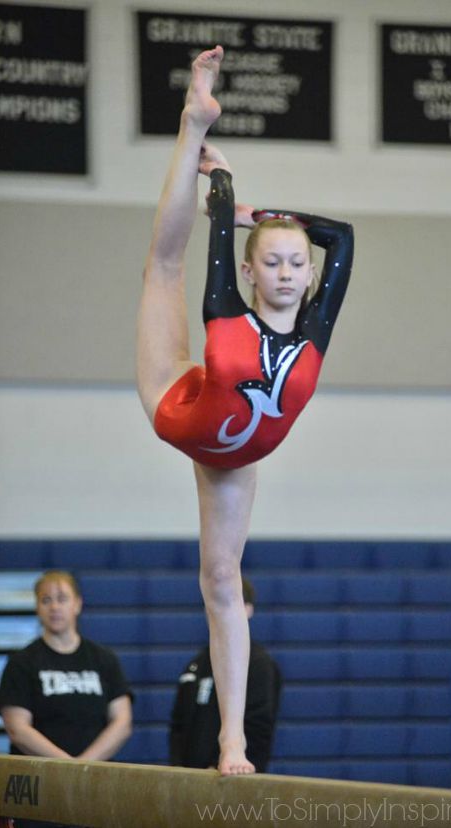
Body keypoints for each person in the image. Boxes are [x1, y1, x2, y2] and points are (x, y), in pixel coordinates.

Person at [136, 45, 353, 775]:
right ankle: (188, 121)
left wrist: (278, 216)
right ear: (252, 271)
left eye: (298, 262)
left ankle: (233, 741)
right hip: (178, 403)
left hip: (236, 459)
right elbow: (210, 234)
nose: (290, 272)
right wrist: (217, 170)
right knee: (163, 264)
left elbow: (343, 239)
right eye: (274, 261)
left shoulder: (317, 321)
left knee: (223, 581)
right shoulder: (228, 309)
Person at [0, 571, 133, 828]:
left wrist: (83, 766)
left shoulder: (103, 659)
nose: (55, 606)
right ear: (37, 607)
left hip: (94, 783)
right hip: (39, 788)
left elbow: (122, 722)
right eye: (46, 600)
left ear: (77, 604)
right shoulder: (22, 663)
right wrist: (66, 768)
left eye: (62, 598)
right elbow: (18, 729)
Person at [169, 577, 282, 772]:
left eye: (231, 606)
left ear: (247, 610)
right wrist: (179, 768)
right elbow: (178, 725)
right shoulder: (195, 664)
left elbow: (259, 726)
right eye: (212, 606)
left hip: (230, 771)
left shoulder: (259, 664)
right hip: (190, 775)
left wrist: (218, 764)